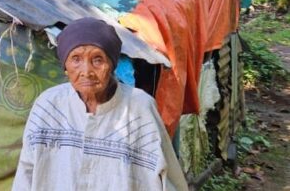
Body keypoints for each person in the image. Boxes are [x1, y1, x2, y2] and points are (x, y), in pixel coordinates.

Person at [12, 18, 188, 191]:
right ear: (65, 66)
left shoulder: (140, 107)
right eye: (76, 59)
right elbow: (26, 173)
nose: (86, 72)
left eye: (98, 60)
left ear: (112, 65)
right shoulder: (48, 105)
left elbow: (168, 179)